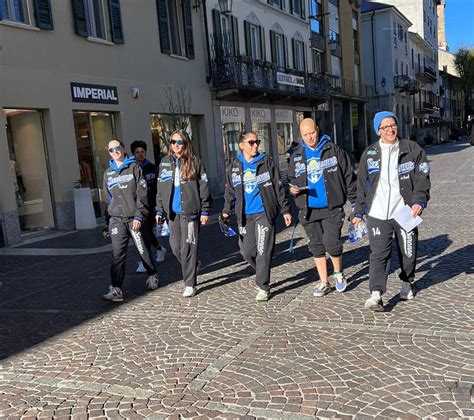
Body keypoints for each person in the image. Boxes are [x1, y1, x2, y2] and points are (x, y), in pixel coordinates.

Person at [353, 111, 431, 312]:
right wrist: (358, 212)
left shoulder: (411, 149)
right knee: (379, 254)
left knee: (408, 251)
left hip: (404, 211)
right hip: (377, 213)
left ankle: (406, 281)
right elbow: (362, 185)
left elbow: (422, 178)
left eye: (392, 125)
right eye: (385, 127)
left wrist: (419, 201)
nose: (390, 129)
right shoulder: (369, 154)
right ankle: (376, 294)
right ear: (378, 131)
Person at [288, 118, 357, 297]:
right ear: (300, 136)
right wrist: (293, 189)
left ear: (317, 129)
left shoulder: (333, 150)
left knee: (332, 243)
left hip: (331, 207)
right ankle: (324, 282)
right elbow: (291, 179)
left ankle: (339, 274)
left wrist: (356, 203)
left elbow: (349, 177)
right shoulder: (296, 156)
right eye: (305, 134)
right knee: (317, 246)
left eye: (312, 132)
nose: (310, 137)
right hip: (308, 209)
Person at [221, 131, 292, 302]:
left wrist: (285, 210)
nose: (255, 145)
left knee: (262, 250)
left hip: (264, 213)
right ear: (242, 145)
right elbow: (230, 190)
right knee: (246, 251)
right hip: (244, 216)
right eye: (251, 142)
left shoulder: (265, 162)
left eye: (257, 142)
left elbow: (278, 186)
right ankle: (262, 268)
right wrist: (225, 210)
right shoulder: (235, 166)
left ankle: (263, 286)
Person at [155, 130, 212, 298]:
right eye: (173, 142)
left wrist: (205, 209)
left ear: (186, 143)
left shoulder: (195, 162)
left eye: (179, 142)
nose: (176, 145)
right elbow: (160, 188)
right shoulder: (165, 163)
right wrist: (159, 210)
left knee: (188, 249)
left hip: (190, 213)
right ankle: (193, 265)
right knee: (175, 247)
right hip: (173, 213)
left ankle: (189, 283)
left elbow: (204, 186)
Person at [102, 139, 159, 302]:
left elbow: (142, 194)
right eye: (111, 149)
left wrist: (138, 215)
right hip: (117, 219)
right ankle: (116, 288)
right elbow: (108, 197)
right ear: (109, 152)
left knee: (142, 250)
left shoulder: (134, 168)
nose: (115, 151)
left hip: (134, 218)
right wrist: (110, 221)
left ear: (123, 148)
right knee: (117, 255)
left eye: (117, 148)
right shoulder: (108, 173)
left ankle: (152, 274)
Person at [130, 140, 167, 273]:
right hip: (138, 207)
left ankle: (147, 259)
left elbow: (159, 187)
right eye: (137, 152)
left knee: (146, 233)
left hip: (152, 206)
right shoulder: (131, 169)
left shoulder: (151, 167)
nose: (140, 155)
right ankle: (156, 251)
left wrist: (160, 206)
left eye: (142, 152)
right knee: (142, 234)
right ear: (133, 154)